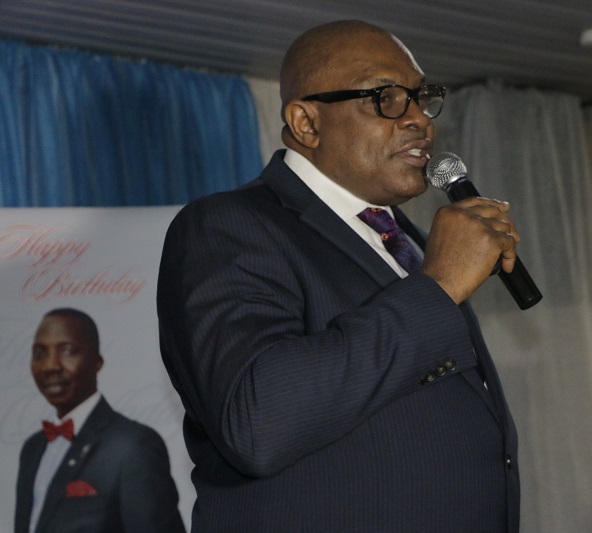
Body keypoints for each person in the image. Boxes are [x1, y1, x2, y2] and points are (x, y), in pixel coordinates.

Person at [157, 19, 521, 532]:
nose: (420, 119)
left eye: (422, 97)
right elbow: (257, 421)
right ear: (306, 122)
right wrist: (437, 287)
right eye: (386, 98)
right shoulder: (228, 225)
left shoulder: (410, 240)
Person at [15, 308, 185, 533]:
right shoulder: (32, 449)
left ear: (97, 362)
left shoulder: (133, 446)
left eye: (67, 351)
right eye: (39, 353)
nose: (51, 365)